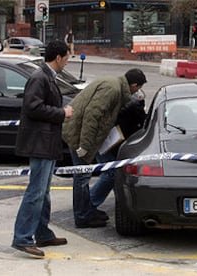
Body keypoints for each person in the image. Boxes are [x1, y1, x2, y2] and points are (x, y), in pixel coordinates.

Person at [62, 68, 147, 228]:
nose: (138, 92)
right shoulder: (112, 89)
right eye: (138, 88)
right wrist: (85, 146)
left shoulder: (116, 87)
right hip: (79, 135)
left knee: (109, 170)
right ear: (134, 85)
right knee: (81, 176)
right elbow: (91, 115)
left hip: (91, 136)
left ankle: (88, 209)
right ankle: (82, 216)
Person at [11, 40, 73, 257]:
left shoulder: (47, 77)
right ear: (58, 58)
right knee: (36, 192)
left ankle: (43, 233)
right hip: (40, 143)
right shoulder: (39, 77)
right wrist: (61, 113)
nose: (67, 62)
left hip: (46, 143)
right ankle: (22, 237)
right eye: (67, 58)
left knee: (43, 193)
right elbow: (32, 107)